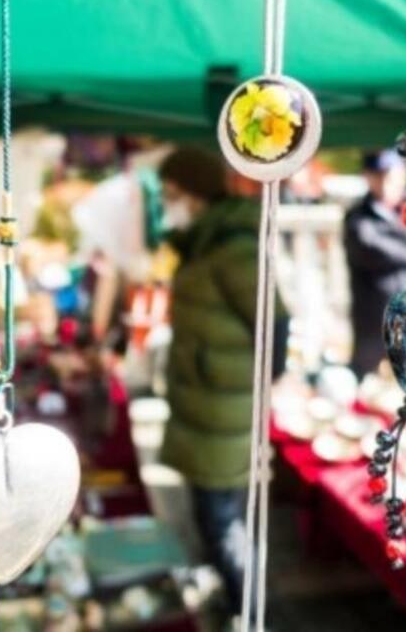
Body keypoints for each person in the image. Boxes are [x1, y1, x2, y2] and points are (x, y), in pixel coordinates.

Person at [157, 146, 286, 620]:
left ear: (194, 193)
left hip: (223, 410)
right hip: (205, 407)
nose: (167, 202)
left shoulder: (231, 245)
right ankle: (235, 601)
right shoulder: (202, 241)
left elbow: (276, 322)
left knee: (223, 522)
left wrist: (254, 386)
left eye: (172, 193)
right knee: (212, 519)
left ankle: (249, 611)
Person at [343, 151, 406, 378]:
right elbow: (371, 249)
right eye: (379, 175)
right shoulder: (358, 216)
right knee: (368, 386)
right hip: (373, 323)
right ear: (368, 177)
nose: (385, 182)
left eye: (390, 175)